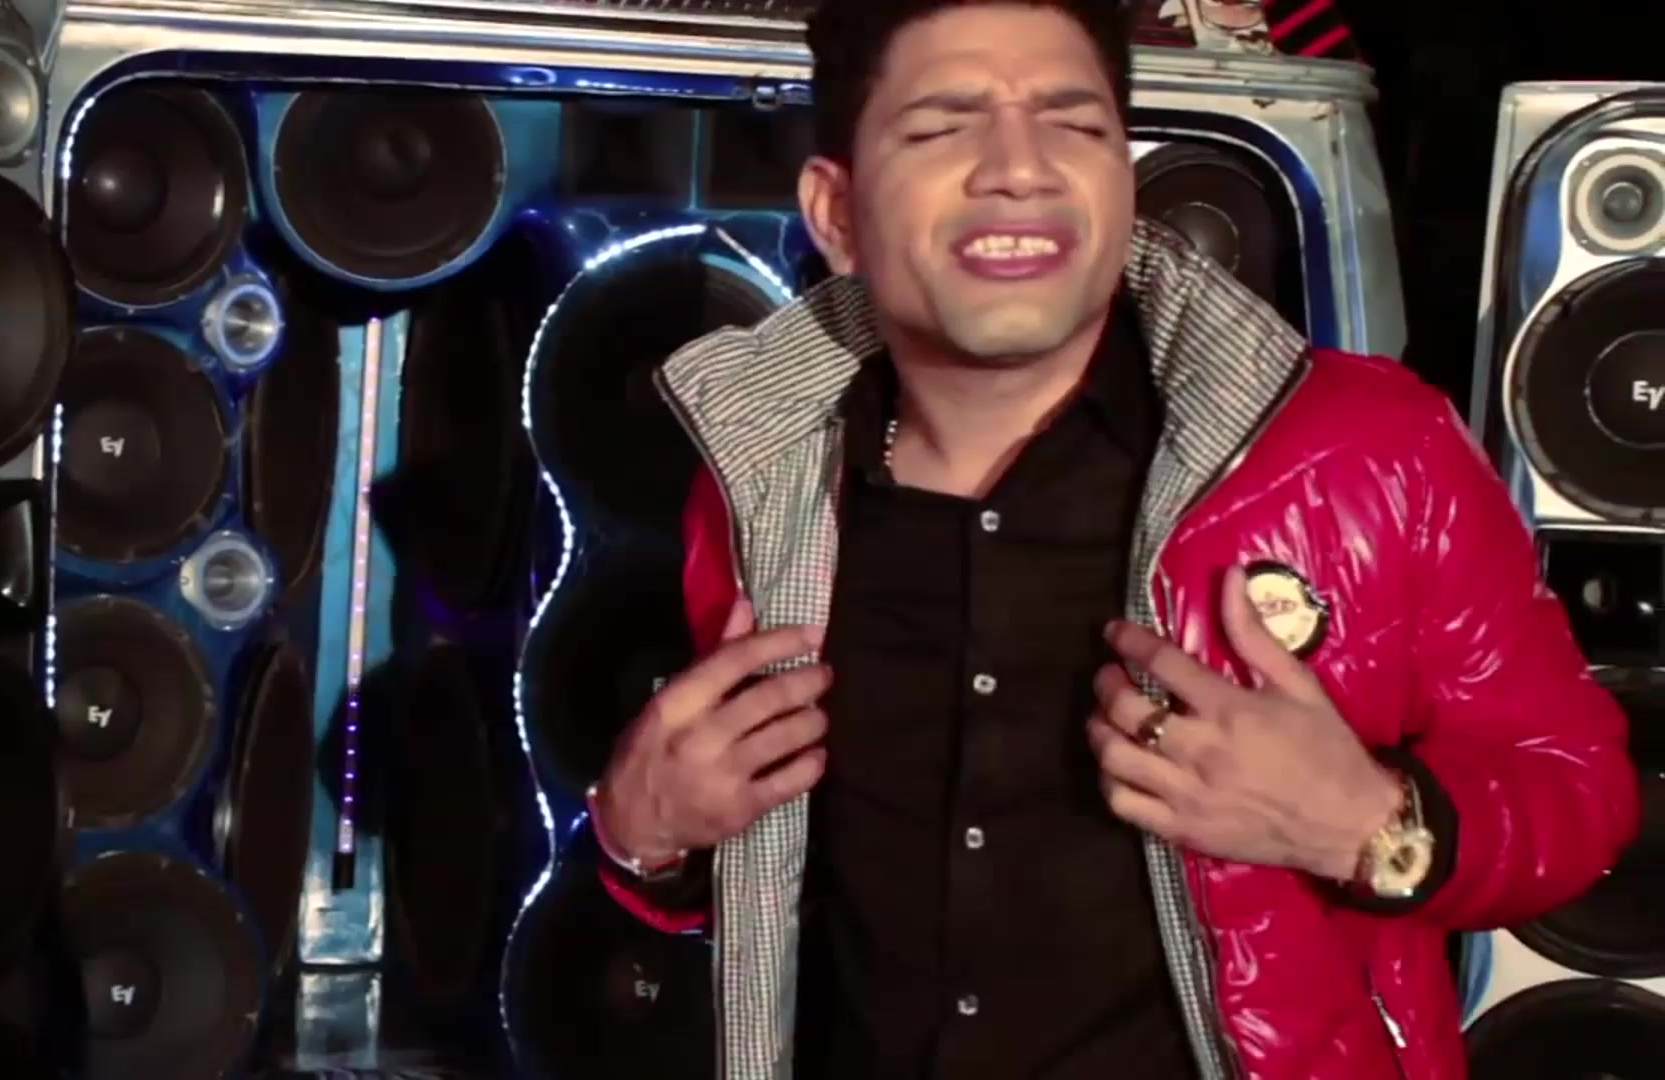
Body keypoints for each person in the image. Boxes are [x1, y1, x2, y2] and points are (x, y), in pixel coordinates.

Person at [580, 1, 1639, 1077]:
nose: (1019, 169)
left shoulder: (1371, 449)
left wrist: (1368, 824)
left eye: (1073, 124)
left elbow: (1581, 797)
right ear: (837, 211)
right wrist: (642, 836)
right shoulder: (760, 481)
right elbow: (770, 877)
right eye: (944, 126)